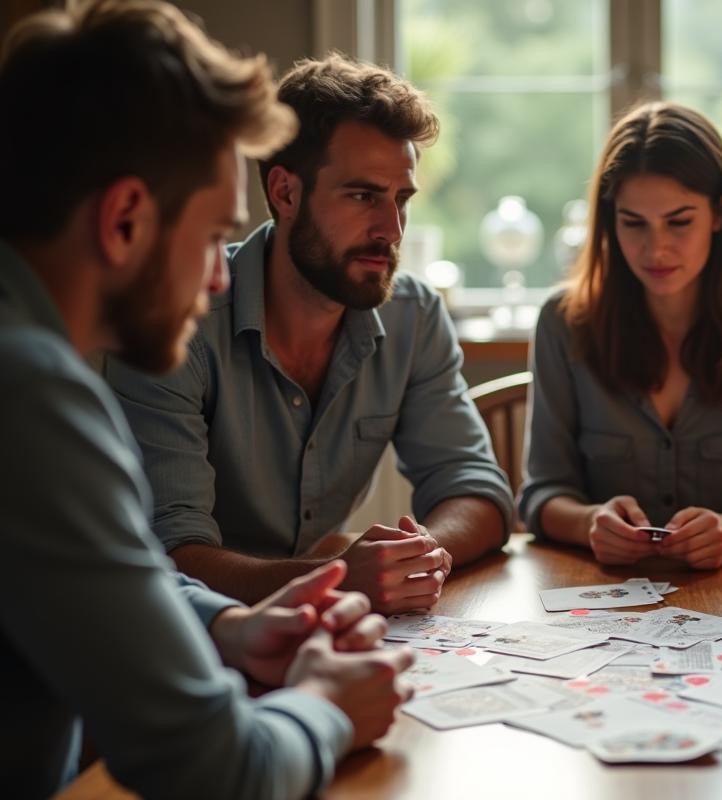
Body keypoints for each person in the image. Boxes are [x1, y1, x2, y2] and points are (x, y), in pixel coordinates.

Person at [0, 2, 415, 798]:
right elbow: (220, 770)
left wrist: (227, 626)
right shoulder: (35, 401)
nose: (222, 279)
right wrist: (325, 705)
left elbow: (98, 583)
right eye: (210, 236)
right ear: (125, 220)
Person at [106, 54, 515, 614]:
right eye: (364, 196)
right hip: (187, 634)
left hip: (317, 626)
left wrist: (417, 558)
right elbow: (172, 553)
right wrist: (343, 577)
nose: (391, 230)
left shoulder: (412, 315)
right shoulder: (181, 321)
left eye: (402, 200)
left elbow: (478, 492)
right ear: (286, 193)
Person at [518, 102, 722, 569]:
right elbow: (542, 492)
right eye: (633, 223)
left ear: (720, 213)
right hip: (597, 594)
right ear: (608, 220)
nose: (655, 248)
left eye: (679, 222)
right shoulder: (562, 322)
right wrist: (588, 523)